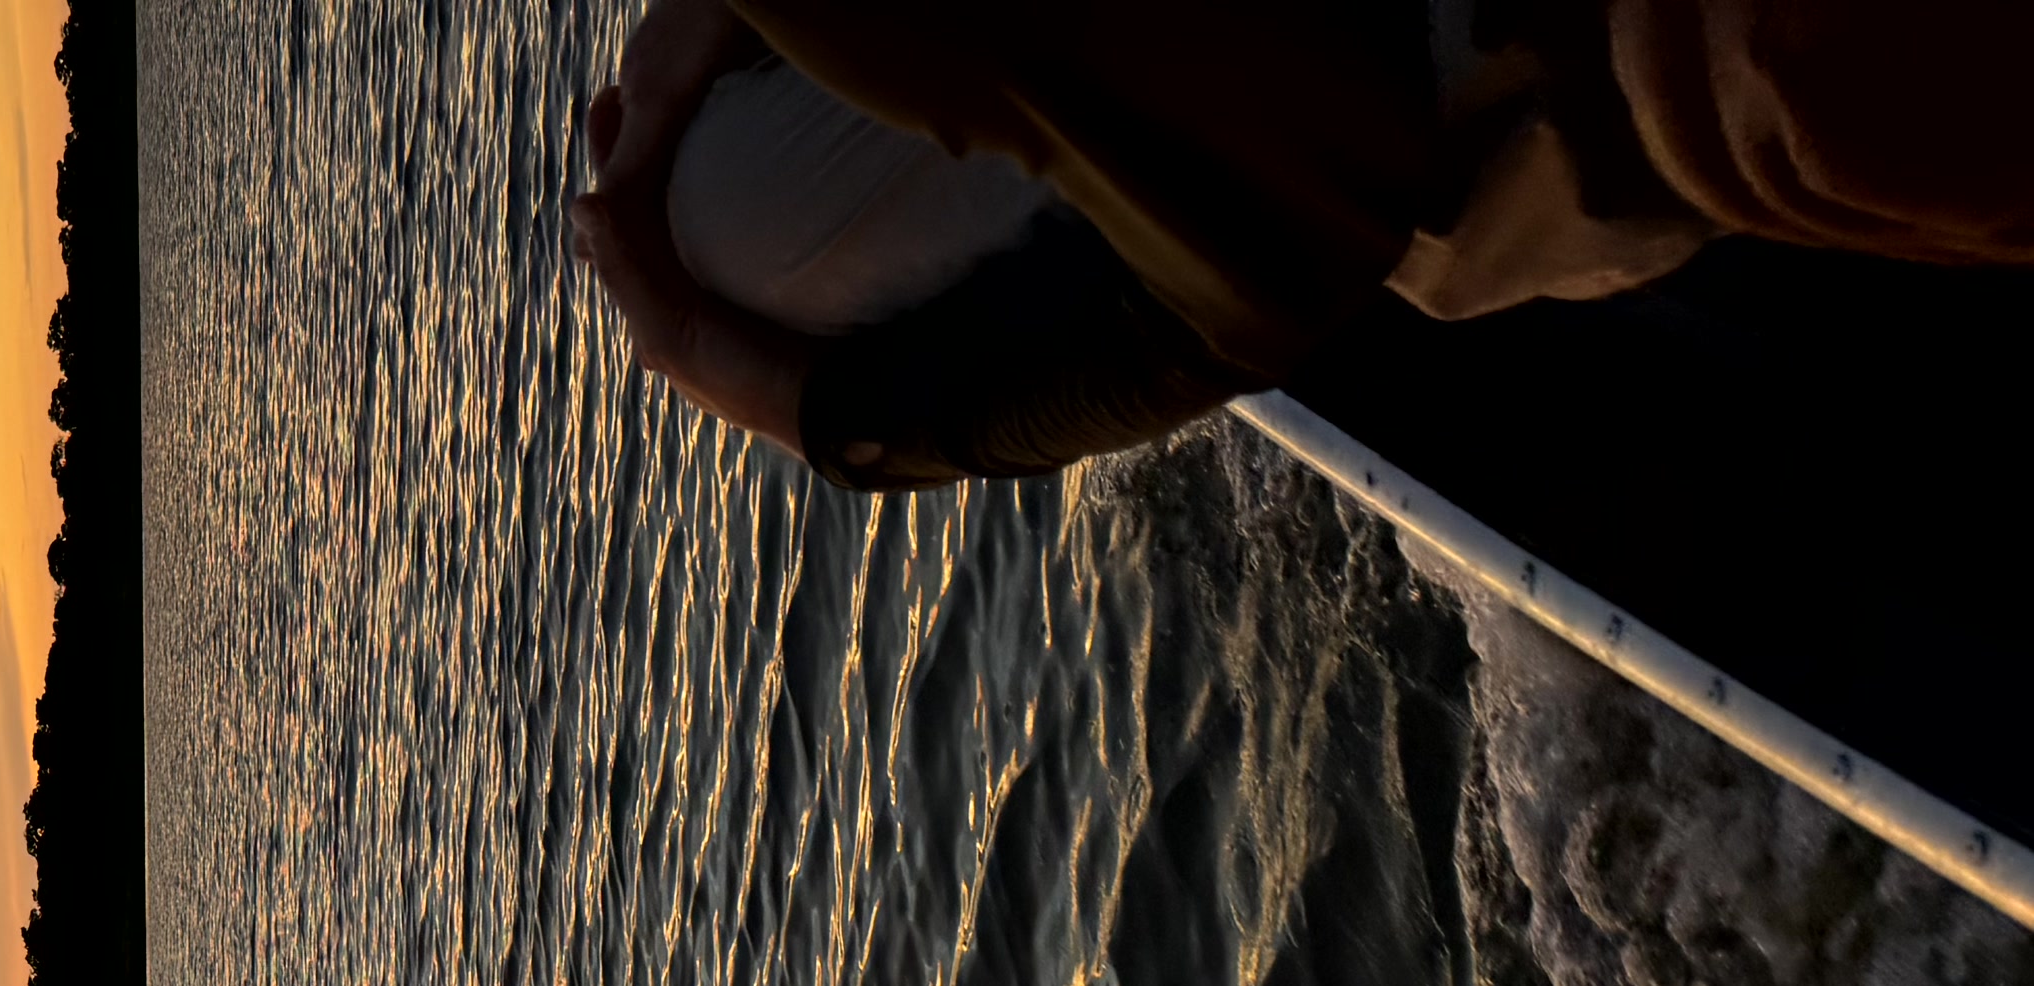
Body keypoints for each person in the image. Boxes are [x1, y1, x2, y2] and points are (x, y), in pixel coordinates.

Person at [566, 0, 2034, 487]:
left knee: (722, 224)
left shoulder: (1771, 74)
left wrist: (833, 416)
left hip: (1504, 107)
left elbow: (1261, 272)